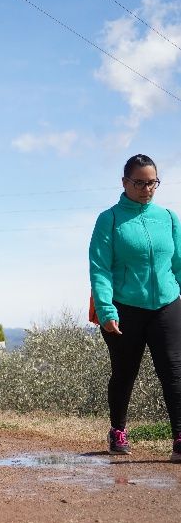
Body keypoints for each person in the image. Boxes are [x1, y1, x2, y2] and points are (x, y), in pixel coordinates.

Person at [89, 153, 181, 462]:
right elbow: (100, 269)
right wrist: (106, 310)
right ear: (124, 182)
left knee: (174, 371)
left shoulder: (168, 218)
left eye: (152, 182)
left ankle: (180, 437)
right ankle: (118, 431)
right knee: (124, 372)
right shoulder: (110, 219)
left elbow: (178, 266)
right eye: (139, 183)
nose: (147, 189)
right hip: (124, 307)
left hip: (166, 304)